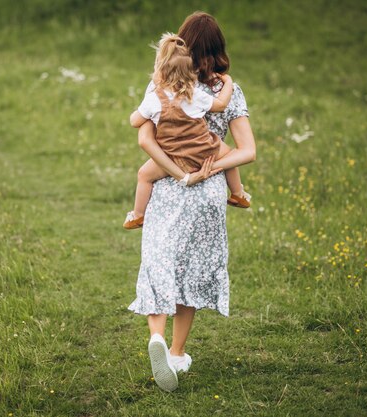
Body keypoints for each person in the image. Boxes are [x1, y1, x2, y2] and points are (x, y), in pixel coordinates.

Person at [127, 11, 257, 392]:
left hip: (168, 185)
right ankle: (177, 353)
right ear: (218, 50)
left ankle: (156, 335)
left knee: (158, 260)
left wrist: (178, 170)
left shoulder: (162, 84)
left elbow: (144, 138)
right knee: (194, 271)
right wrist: (210, 165)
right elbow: (247, 151)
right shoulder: (224, 92)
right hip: (210, 190)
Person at [123, 33, 251, 230]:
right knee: (231, 156)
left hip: (173, 157)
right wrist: (228, 83)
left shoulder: (154, 99)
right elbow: (221, 105)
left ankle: (138, 215)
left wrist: (143, 111)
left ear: (161, 73)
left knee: (144, 175)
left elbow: (134, 122)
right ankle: (237, 193)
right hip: (204, 151)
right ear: (191, 73)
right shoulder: (196, 96)